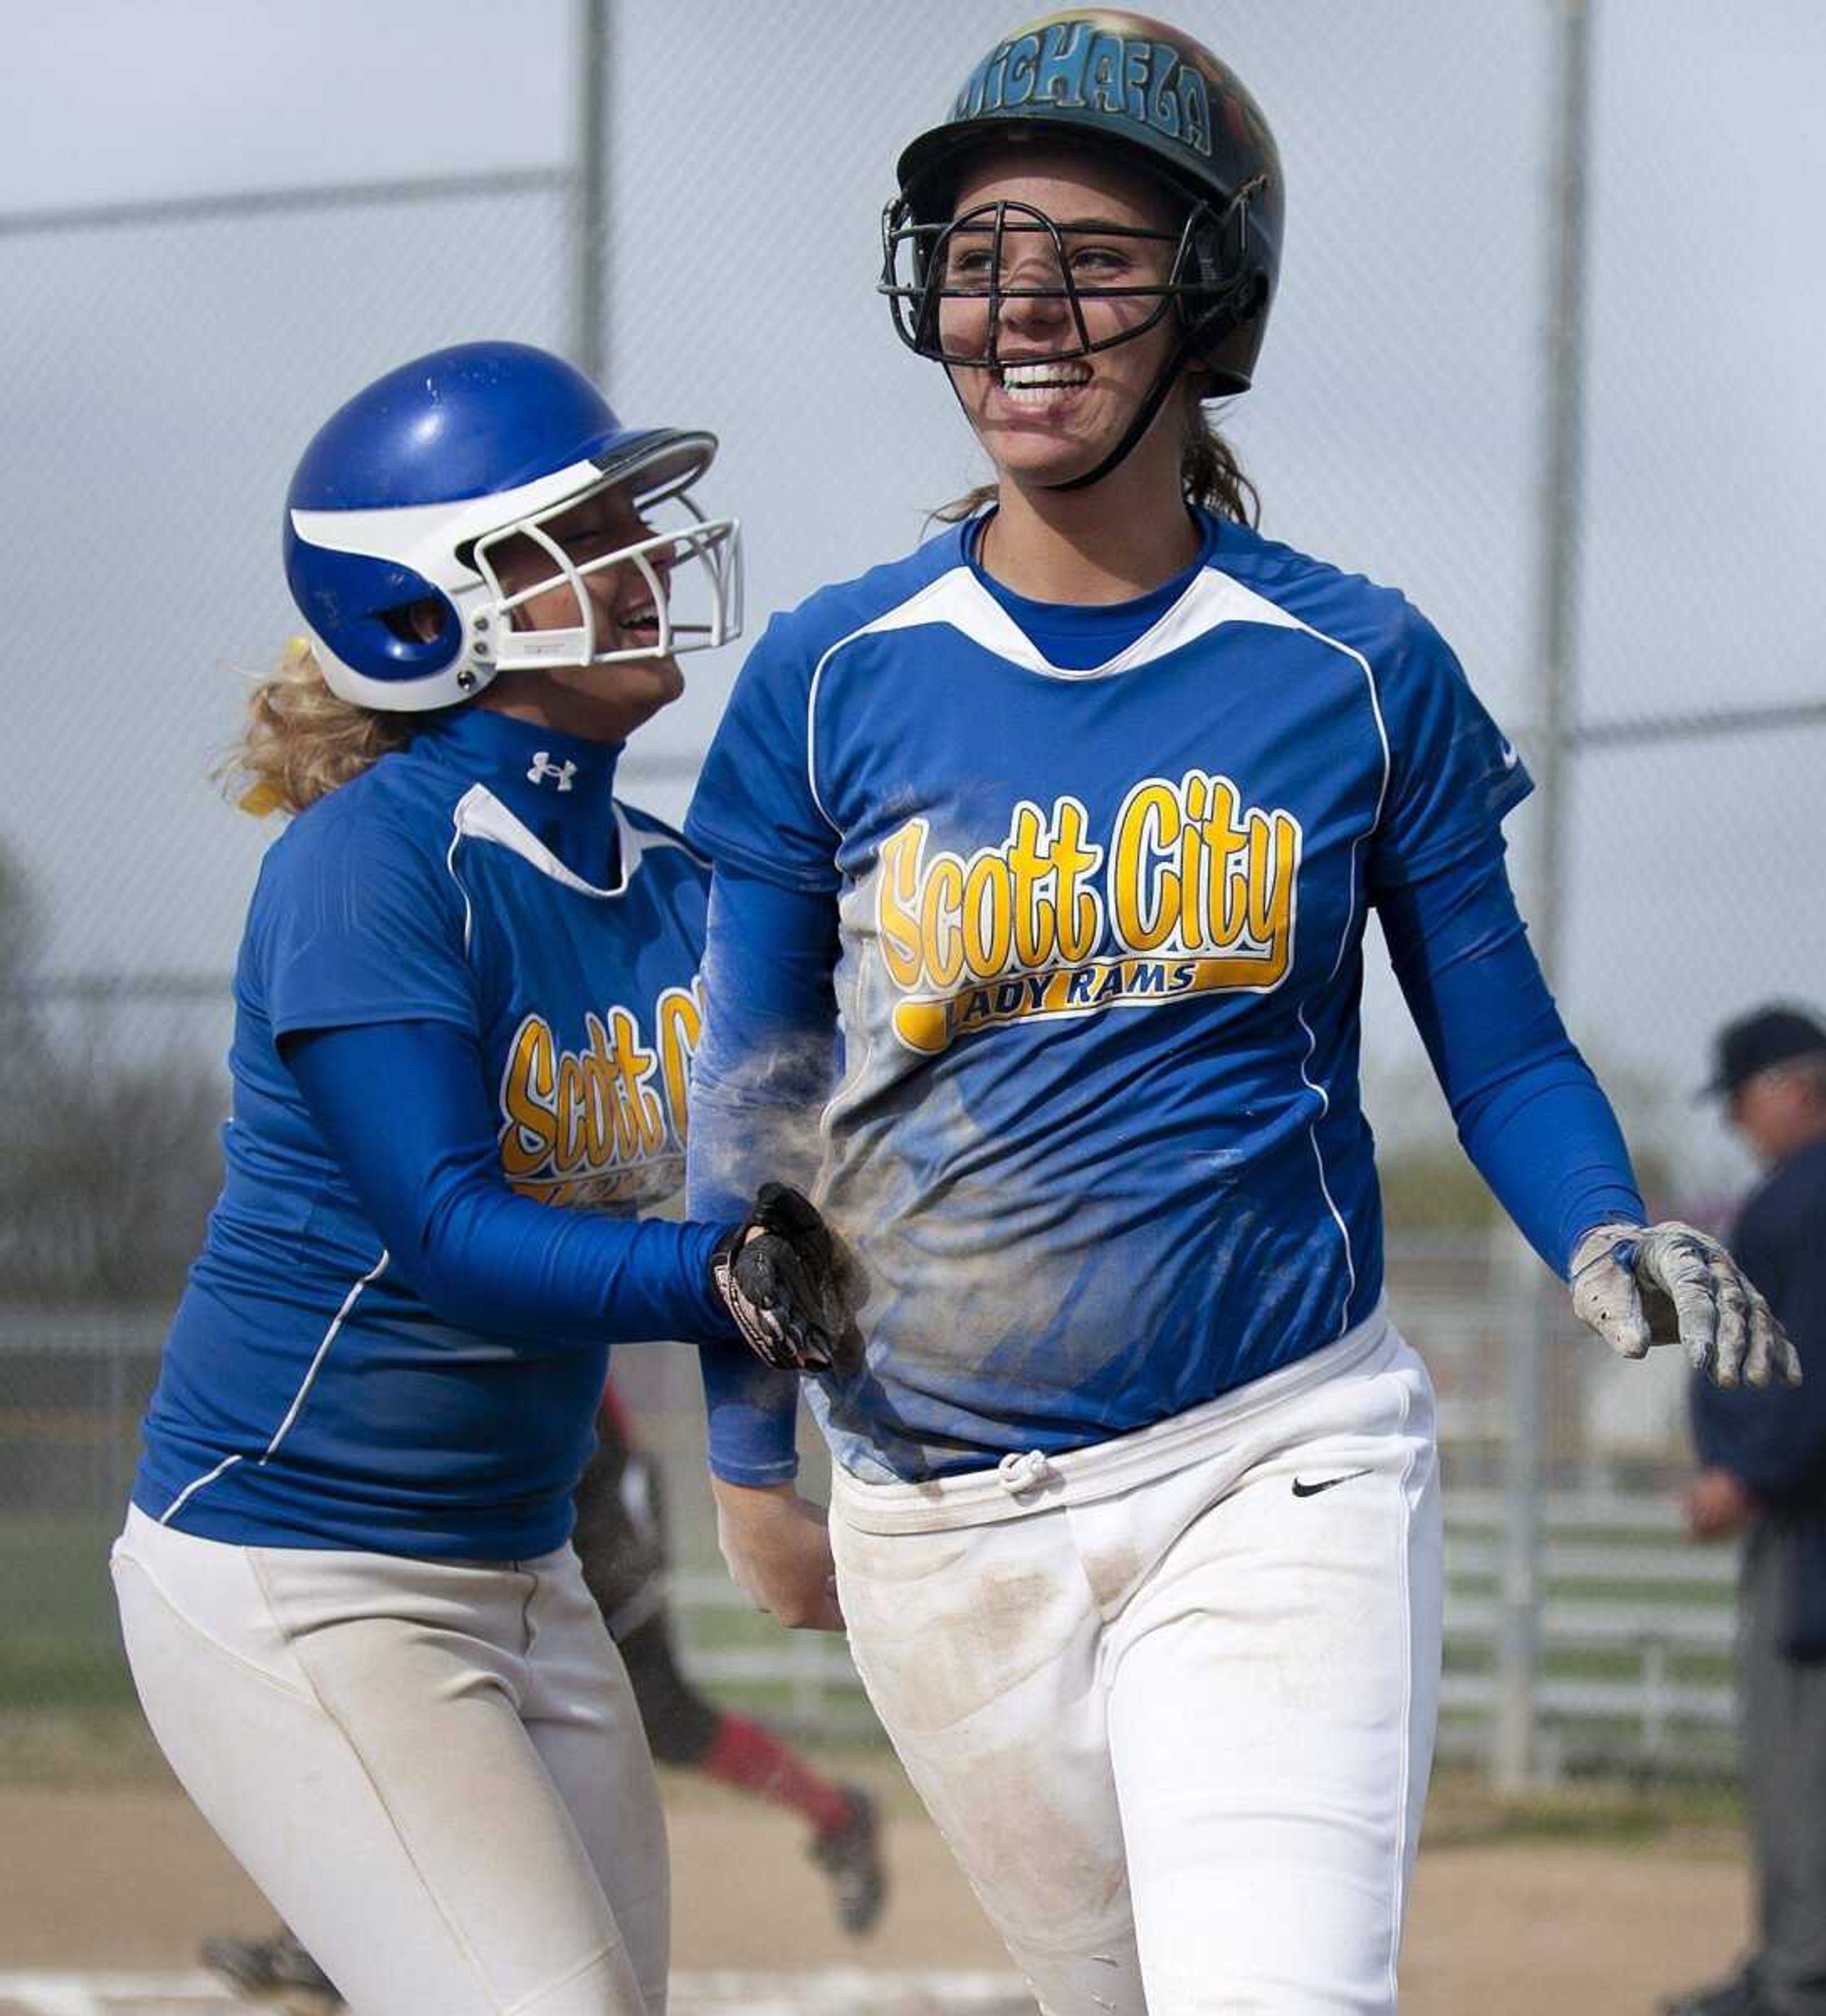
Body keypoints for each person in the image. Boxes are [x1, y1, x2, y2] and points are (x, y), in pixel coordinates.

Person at [675, 14, 1801, 2013]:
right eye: (983, 245)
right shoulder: (831, 675)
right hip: (939, 1511)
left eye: (1095, 258)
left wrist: (1600, 1227)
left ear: (1212, 302)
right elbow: (753, 1094)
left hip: (1275, 1459)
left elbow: (1506, 1037)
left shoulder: (1353, 665)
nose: (1025, 300)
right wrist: (750, 1453)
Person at [109, 341, 853, 2016]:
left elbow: (792, 1202)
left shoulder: (677, 883)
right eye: (587, 529)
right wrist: (722, 1275)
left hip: (526, 1573)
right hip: (299, 1570)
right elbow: (448, 1237)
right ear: (430, 606)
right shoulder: (362, 864)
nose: (651, 557)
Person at [200, 1377, 889, 2012]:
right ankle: (325, 1941)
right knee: (443, 1707)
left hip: (590, 1479)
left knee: (662, 1714)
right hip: (510, 1479)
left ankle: (836, 1817)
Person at [1665, 1007, 1826, 2016]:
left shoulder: (1806, 1199)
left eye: (1739, 1100)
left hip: (1807, 1525)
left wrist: (1751, 1472)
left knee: (1797, 1750)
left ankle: (1799, 1976)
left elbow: (1813, 1364)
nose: (1734, 1122)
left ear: (1791, 1087)